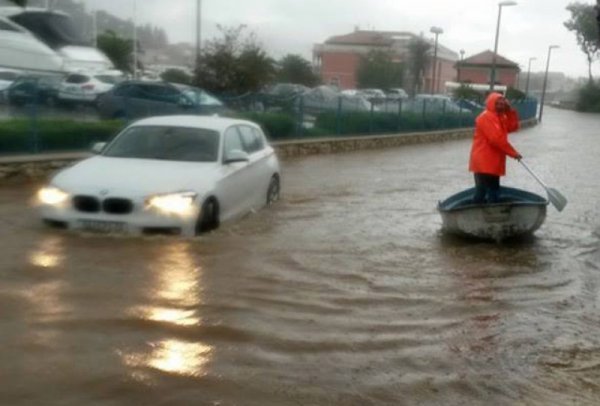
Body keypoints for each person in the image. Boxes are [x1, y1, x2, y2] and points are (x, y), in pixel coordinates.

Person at [469, 92, 522, 204]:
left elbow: (513, 127)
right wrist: (514, 153)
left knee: (486, 190)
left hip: (492, 162)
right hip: (484, 162)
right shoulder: (486, 117)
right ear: (491, 103)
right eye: (497, 103)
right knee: (489, 191)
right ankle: (487, 214)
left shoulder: (501, 117)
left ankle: (485, 213)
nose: (500, 106)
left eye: (502, 104)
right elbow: (496, 140)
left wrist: (509, 110)